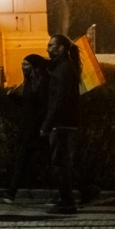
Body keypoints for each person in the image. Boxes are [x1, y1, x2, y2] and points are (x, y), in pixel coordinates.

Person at [0, 54, 50, 203]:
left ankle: (83, 189)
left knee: (53, 161)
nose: (22, 67)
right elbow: (27, 106)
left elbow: (42, 108)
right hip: (29, 127)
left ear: (35, 67)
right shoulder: (30, 82)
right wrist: (15, 98)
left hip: (35, 129)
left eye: (26, 64)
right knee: (25, 159)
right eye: (22, 64)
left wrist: (40, 127)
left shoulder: (42, 83)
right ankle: (11, 192)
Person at [43, 33, 83, 214]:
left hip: (61, 124)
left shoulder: (63, 69)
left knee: (60, 163)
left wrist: (47, 124)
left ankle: (67, 201)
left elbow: (58, 101)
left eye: (51, 46)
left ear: (61, 48)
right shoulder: (64, 67)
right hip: (65, 122)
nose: (48, 49)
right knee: (63, 162)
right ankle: (74, 195)